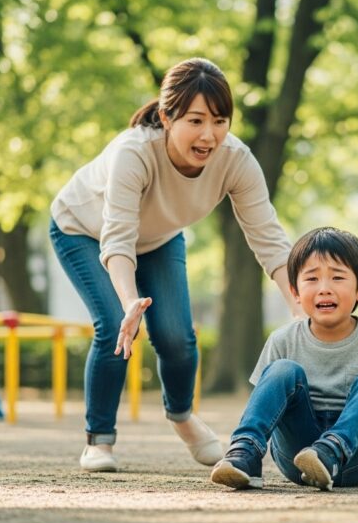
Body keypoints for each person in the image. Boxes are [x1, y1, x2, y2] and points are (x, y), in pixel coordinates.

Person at [49, 58, 301, 472]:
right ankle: (100, 440)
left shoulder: (236, 160)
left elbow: (268, 238)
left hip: (160, 237)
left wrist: (296, 301)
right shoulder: (134, 152)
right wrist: (130, 302)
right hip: (82, 230)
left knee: (177, 338)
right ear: (167, 117)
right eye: (196, 120)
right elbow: (117, 238)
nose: (209, 135)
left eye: (220, 121)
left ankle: (182, 416)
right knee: (115, 322)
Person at [210, 227, 358, 491]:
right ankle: (245, 454)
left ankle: (330, 452)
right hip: (297, 458)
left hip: (356, 459)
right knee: (282, 370)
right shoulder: (283, 340)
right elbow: (263, 403)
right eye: (312, 279)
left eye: (337, 277)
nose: (324, 289)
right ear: (295, 291)